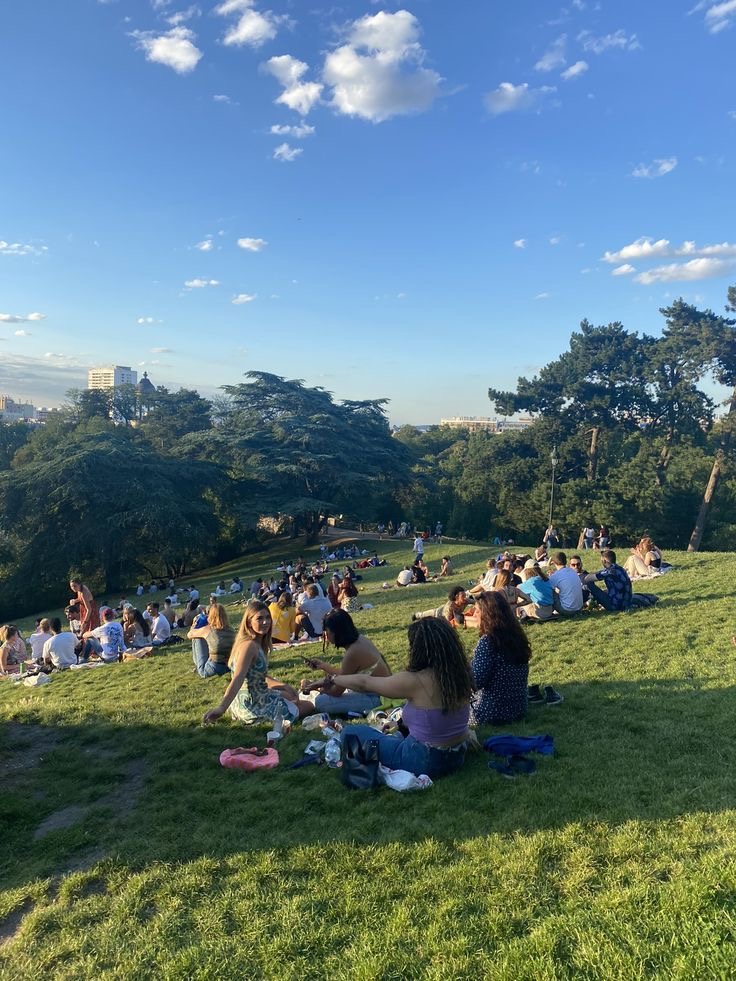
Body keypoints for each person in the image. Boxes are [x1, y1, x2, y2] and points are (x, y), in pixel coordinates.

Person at [332, 617, 473, 780]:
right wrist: (400, 725)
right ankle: (395, 737)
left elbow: (365, 683)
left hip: (425, 760)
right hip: (457, 755)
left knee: (350, 733)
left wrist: (333, 679)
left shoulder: (414, 680)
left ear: (418, 648)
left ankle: (393, 741)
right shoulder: (461, 672)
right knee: (390, 733)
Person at [202, 600, 302, 725]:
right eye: (259, 618)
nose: (265, 622)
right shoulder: (249, 646)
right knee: (306, 706)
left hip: (249, 698)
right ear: (249, 622)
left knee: (288, 694)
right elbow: (238, 678)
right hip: (254, 704)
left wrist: (283, 685)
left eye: (267, 617)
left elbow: (256, 675)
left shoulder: (253, 642)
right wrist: (221, 708)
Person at [299, 609, 392, 716]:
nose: (326, 635)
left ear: (336, 632)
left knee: (321, 702)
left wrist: (316, 687)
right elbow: (346, 674)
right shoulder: (360, 640)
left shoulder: (353, 652)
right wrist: (323, 666)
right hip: (382, 692)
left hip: (376, 699)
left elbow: (336, 692)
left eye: (327, 631)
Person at [470, 592, 531, 725]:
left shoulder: (488, 641)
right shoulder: (516, 636)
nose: (474, 615)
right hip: (518, 708)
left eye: (477, 611)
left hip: (491, 712)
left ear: (487, 614)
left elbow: (475, 682)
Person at [189, 603, 234, 678]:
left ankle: (199, 666)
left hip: (215, 666)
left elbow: (189, 635)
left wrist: (194, 626)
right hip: (230, 665)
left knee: (197, 636)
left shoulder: (208, 629)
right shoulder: (231, 630)